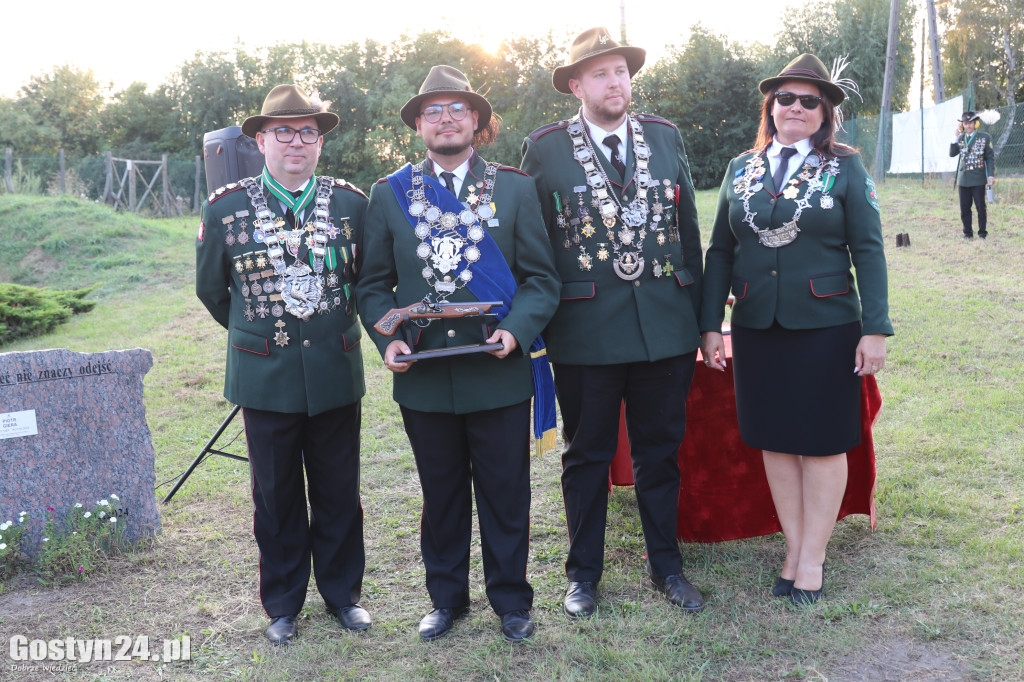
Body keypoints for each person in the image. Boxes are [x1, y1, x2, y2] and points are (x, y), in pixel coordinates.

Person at [356, 66, 559, 642]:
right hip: (425, 374)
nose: (446, 119)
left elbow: (542, 280)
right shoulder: (389, 194)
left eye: (457, 109)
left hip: (497, 370)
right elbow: (371, 285)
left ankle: (511, 602)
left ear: (477, 121)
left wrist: (517, 332)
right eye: (433, 111)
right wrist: (387, 337)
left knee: (504, 492)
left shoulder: (516, 188)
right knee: (440, 494)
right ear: (419, 125)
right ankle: (446, 600)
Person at [521, 27, 706, 618]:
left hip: (664, 327)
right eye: (601, 73)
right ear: (576, 86)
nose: (615, 81)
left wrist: (706, 324)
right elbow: (535, 245)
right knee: (587, 455)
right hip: (585, 331)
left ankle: (666, 567)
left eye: (622, 70)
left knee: (660, 452)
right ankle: (583, 576)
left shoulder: (665, 137)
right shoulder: (546, 148)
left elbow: (691, 237)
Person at [700, 54, 893, 605]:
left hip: (827, 325)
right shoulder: (742, 168)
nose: (797, 108)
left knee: (823, 441)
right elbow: (721, 251)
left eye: (811, 101)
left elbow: (869, 250)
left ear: (826, 112)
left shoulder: (847, 168)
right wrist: (711, 324)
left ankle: (814, 557)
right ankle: (793, 547)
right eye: (787, 98)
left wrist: (875, 328)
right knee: (776, 442)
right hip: (757, 324)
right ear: (771, 106)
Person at [196, 84, 371, 644]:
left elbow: (366, 282)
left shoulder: (351, 203)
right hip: (265, 373)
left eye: (308, 132)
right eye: (285, 131)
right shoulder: (226, 208)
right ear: (261, 139)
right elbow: (213, 292)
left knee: (339, 489)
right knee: (274, 494)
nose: (297, 142)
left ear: (320, 142)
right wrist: (259, 336)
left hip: (334, 369)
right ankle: (283, 603)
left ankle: (343, 595)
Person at [950, 110, 997, 239]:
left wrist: (990, 175)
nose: (968, 126)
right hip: (963, 179)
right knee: (964, 208)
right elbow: (952, 153)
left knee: (980, 207)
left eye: (971, 123)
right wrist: (954, 136)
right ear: (962, 125)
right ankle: (967, 233)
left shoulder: (984, 137)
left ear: (975, 124)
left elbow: (989, 157)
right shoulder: (960, 138)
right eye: (965, 123)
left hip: (978, 179)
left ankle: (982, 233)